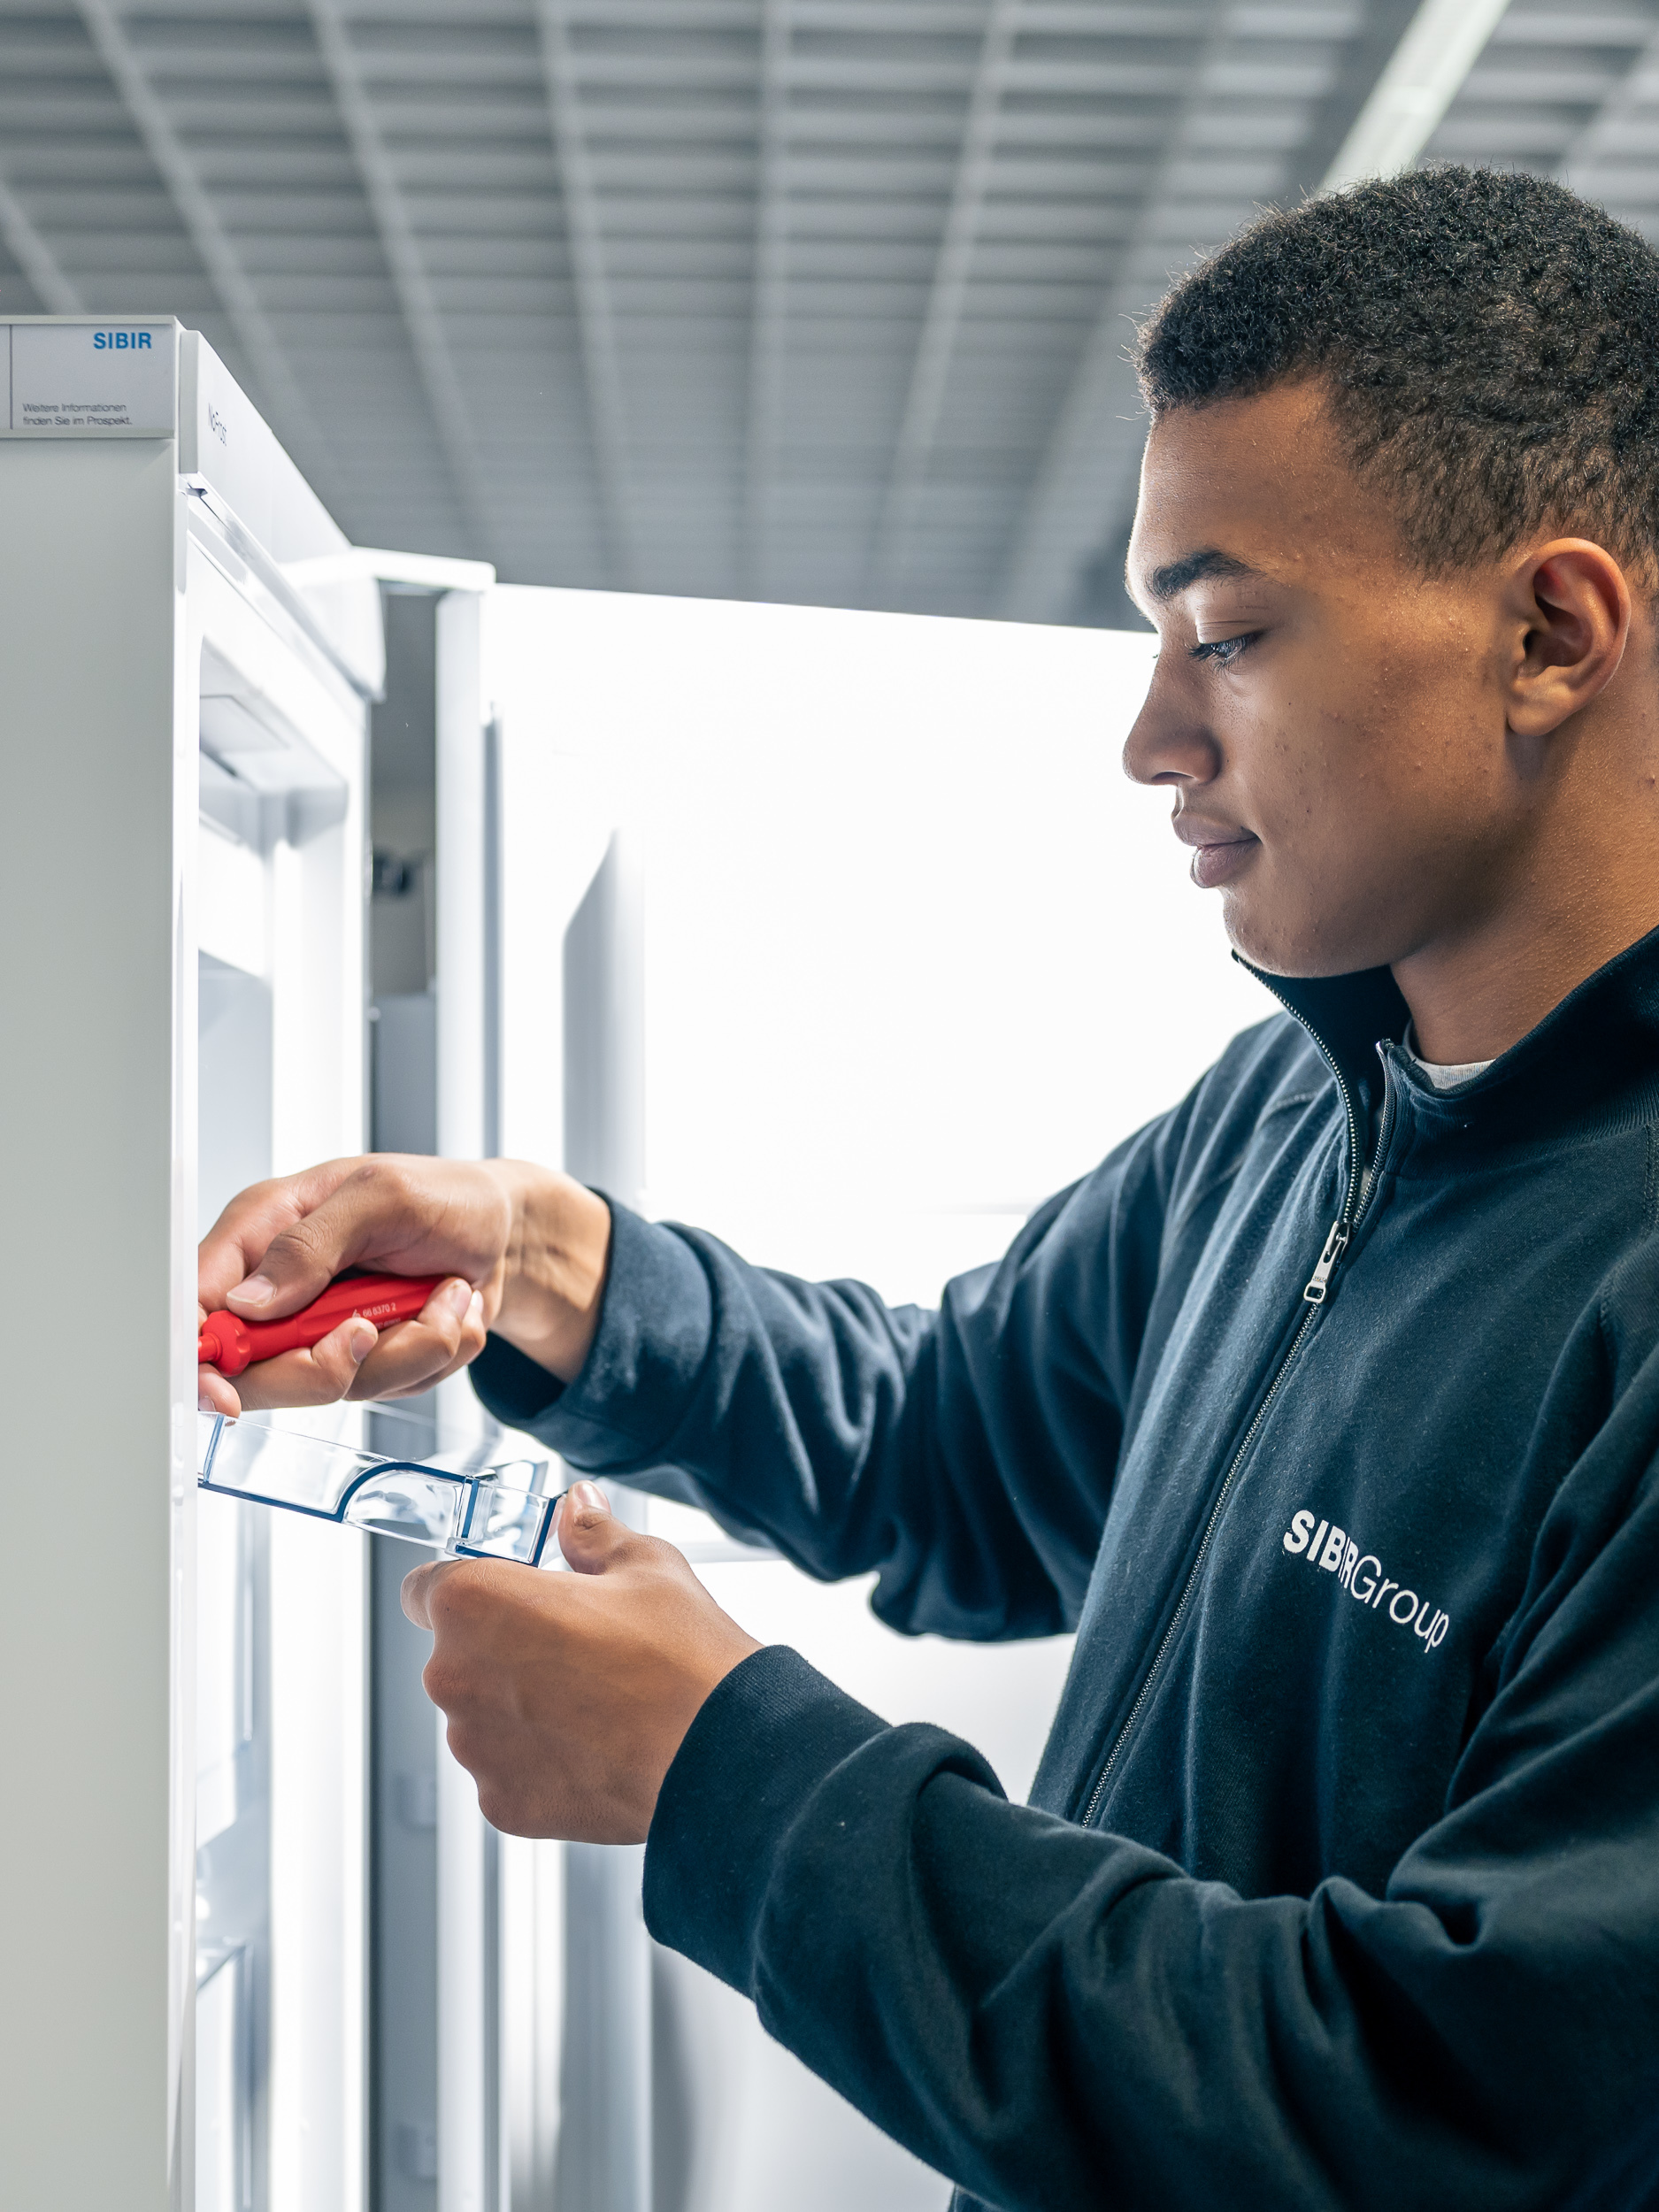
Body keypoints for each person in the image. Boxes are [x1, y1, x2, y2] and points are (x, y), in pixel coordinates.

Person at [197, 167, 1659, 2208]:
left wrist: (729, 1775)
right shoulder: (1292, 1114)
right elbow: (952, 1449)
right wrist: (545, 1263)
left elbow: (1432, 2108)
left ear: (1547, 630)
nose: (1151, 734)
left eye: (1226, 633)